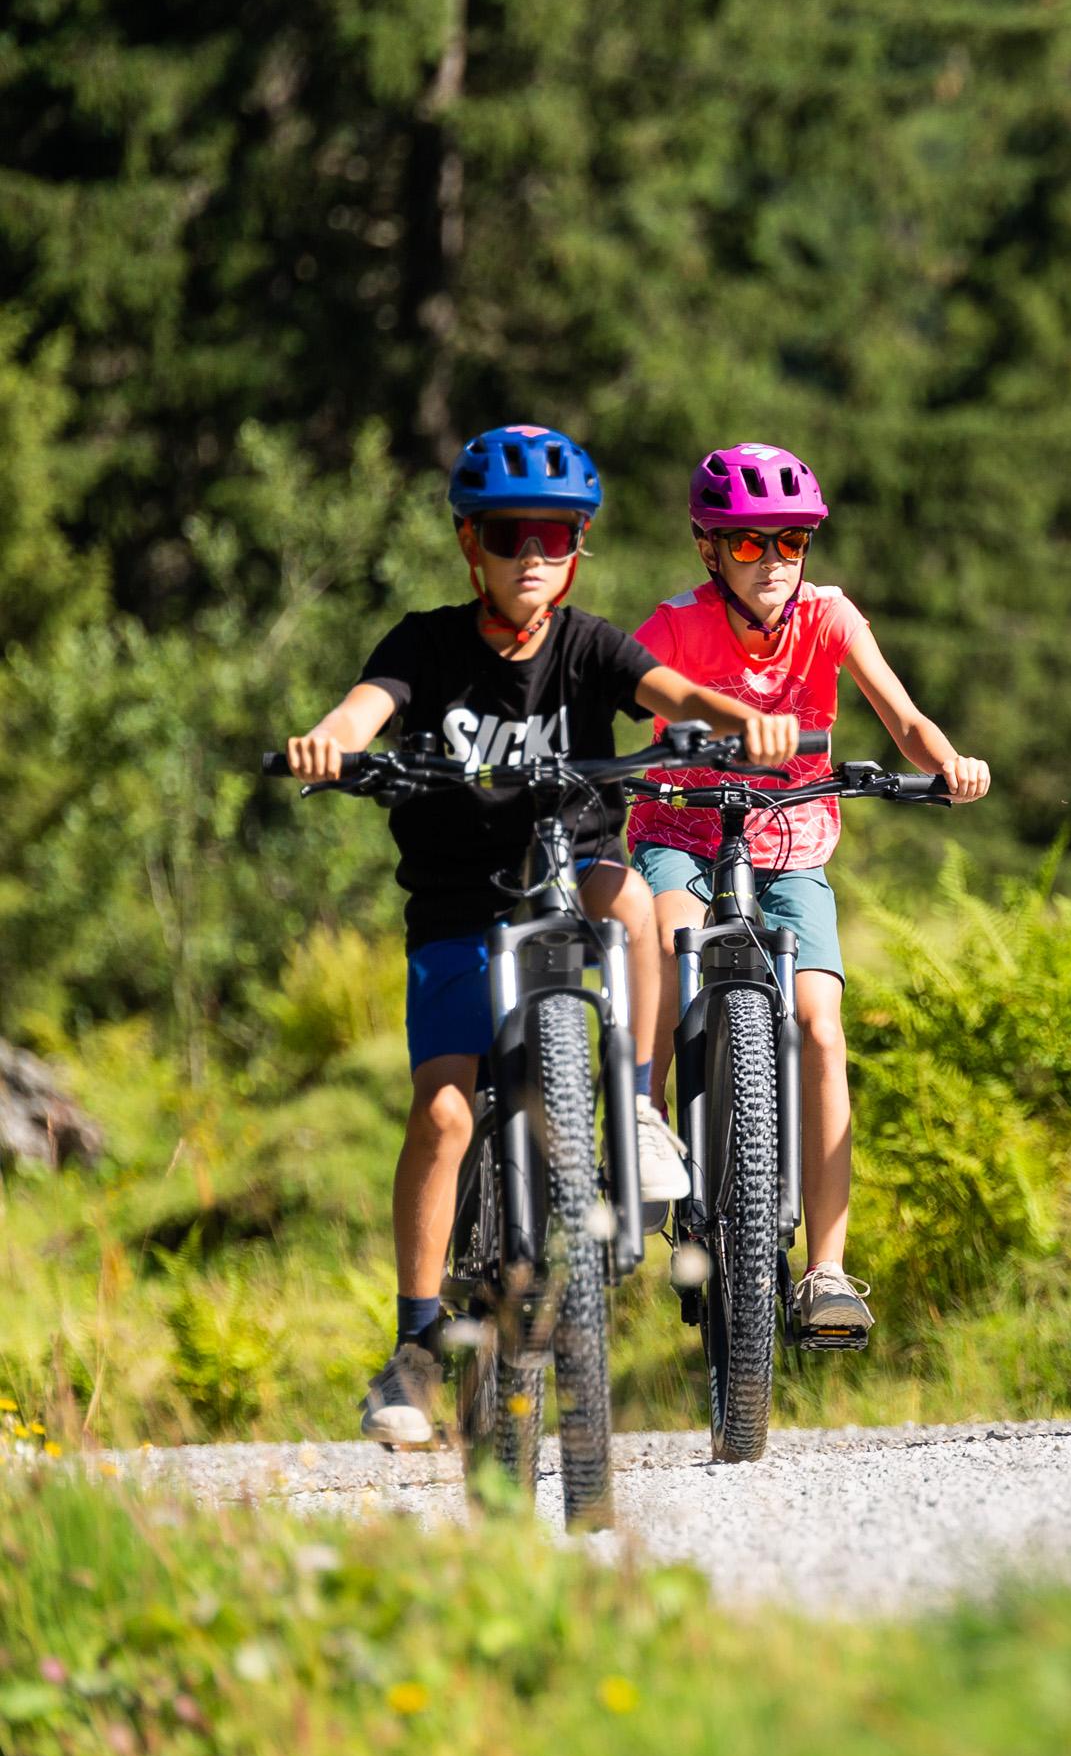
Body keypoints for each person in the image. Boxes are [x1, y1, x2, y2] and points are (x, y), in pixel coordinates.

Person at [283, 423, 802, 1448]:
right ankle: (416, 1346)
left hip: (571, 885)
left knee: (635, 900)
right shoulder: (425, 644)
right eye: (509, 533)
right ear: (469, 543)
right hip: (459, 912)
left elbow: (673, 694)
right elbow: (362, 708)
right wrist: (330, 745)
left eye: (556, 535)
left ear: (578, 548)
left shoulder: (588, 644)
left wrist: (740, 720)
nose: (533, 554)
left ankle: (639, 1110)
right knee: (443, 1113)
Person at [625, 442, 992, 1347]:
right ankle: (644, 1129)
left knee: (822, 1027)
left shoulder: (829, 617)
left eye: (791, 541)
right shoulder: (675, 626)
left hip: (791, 845)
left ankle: (826, 1270)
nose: (775, 562)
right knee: (670, 954)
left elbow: (903, 716)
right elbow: (608, 695)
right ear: (710, 549)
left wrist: (948, 762)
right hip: (680, 832)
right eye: (751, 545)